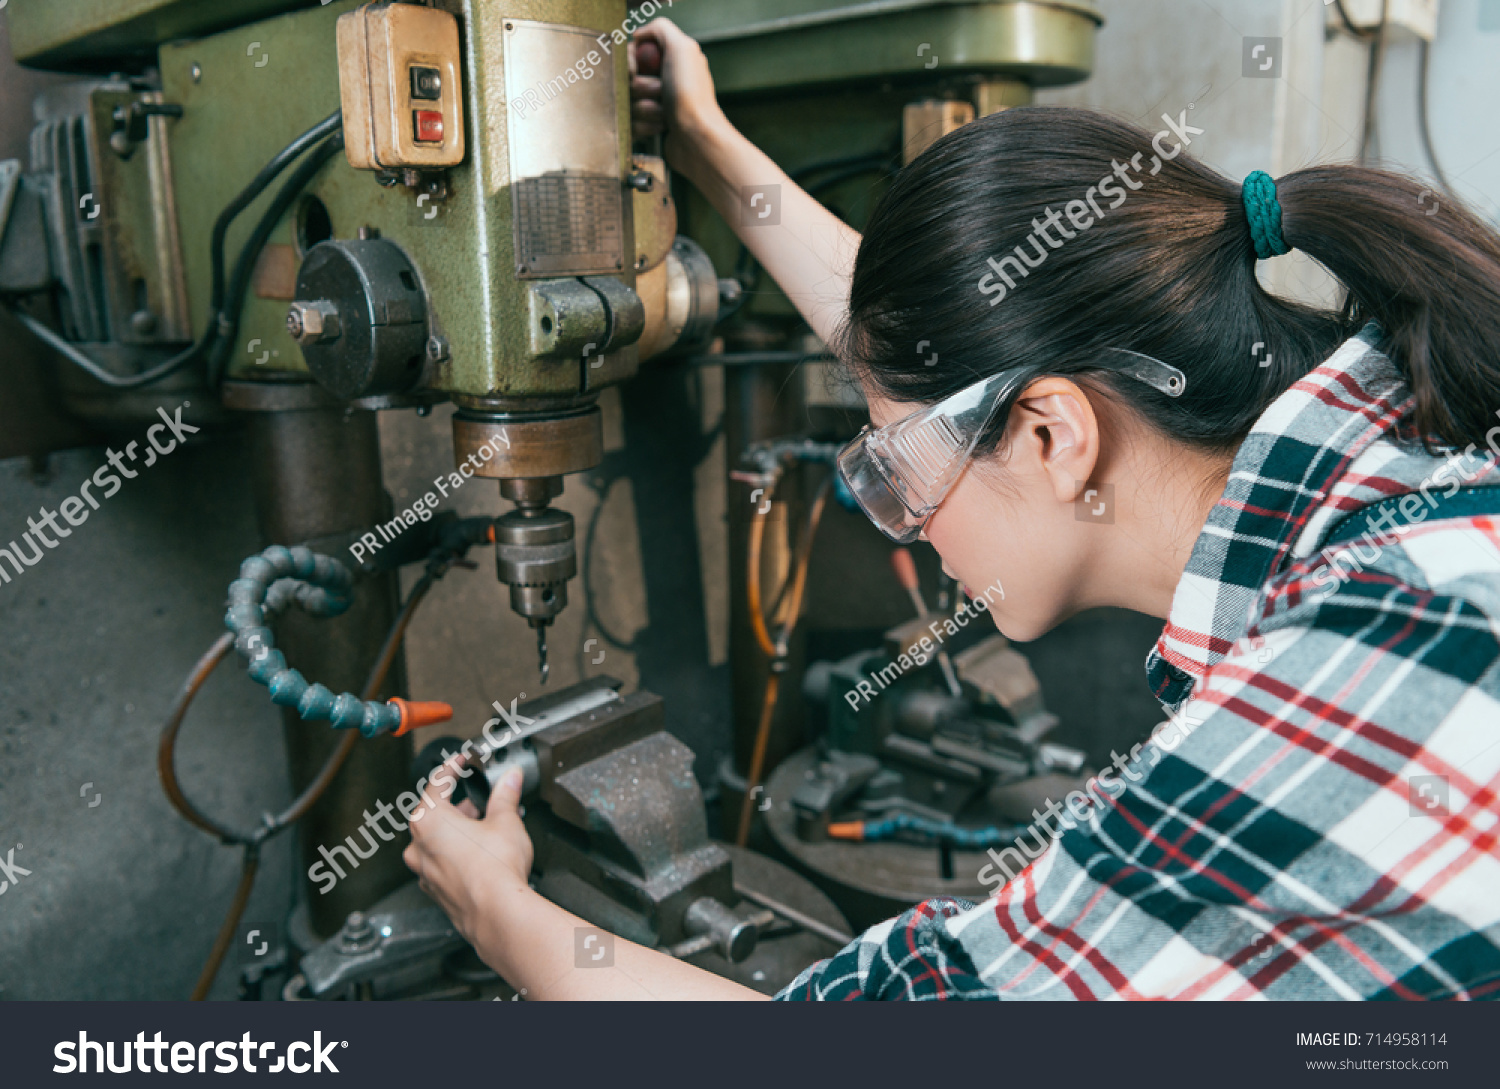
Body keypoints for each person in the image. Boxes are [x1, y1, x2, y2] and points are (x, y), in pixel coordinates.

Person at [403, 18, 1500, 1000]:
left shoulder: (1369, 678)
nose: (907, 519)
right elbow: (944, 362)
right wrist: (705, 142)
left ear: (1051, 438)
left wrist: (502, 916)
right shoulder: (1413, 435)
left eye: (902, 472)